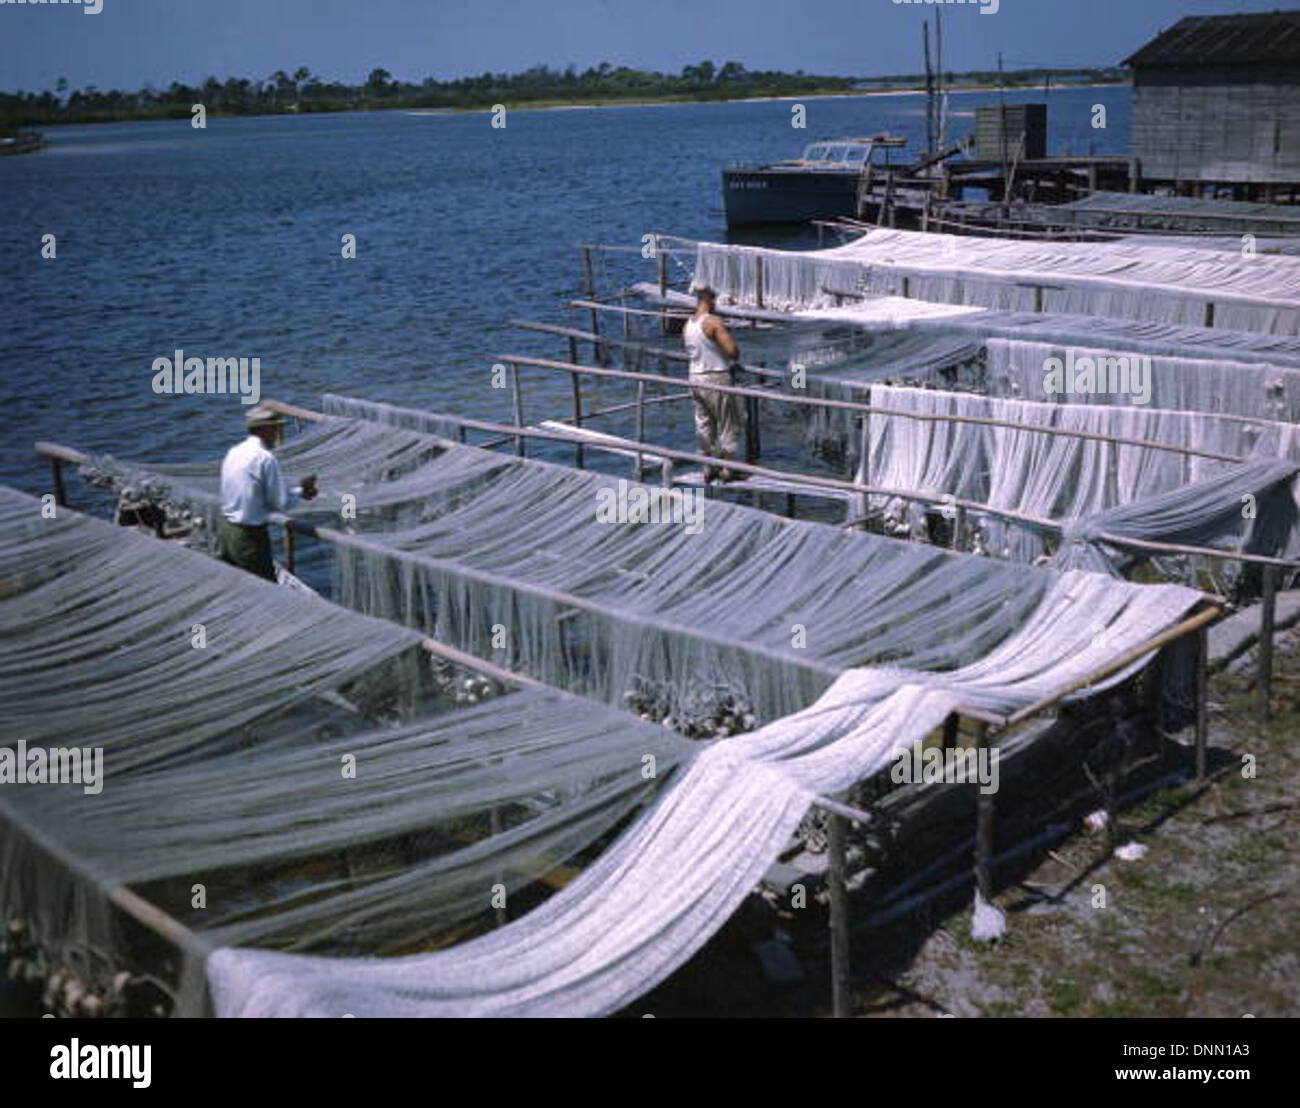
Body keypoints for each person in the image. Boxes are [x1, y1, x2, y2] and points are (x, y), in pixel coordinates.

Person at [217, 406, 317, 581]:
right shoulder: (264, 458)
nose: (278, 434)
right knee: (263, 588)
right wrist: (303, 492)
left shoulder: (234, 452)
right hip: (248, 536)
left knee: (234, 585)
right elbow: (280, 502)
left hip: (226, 531)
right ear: (265, 429)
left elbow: (254, 493)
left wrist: (299, 491)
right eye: (276, 428)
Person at [683, 286, 744, 482]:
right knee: (728, 421)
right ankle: (727, 468)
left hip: (695, 377)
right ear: (708, 300)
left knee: (704, 422)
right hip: (715, 376)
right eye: (714, 300)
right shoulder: (713, 322)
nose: (716, 304)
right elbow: (733, 351)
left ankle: (707, 466)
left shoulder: (688, 325)